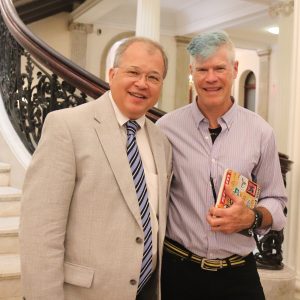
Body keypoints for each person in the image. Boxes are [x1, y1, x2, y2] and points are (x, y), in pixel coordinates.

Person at [20, 37, 172, 300]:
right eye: (133, 72)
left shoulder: (161, 142)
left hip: (146, 291)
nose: (141, 83)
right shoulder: (67, 127)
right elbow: (40, 232)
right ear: (112, 74)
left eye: (153, 77)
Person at [157, 30, 287, 300]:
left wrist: (251, 217)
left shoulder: (261, 132)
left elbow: (276, 198)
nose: (211, 77)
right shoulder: (166, 128)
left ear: (235, 69)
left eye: (219, 68)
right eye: (202, 69)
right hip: (177, 273)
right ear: (192, 71)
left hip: (237, 274)